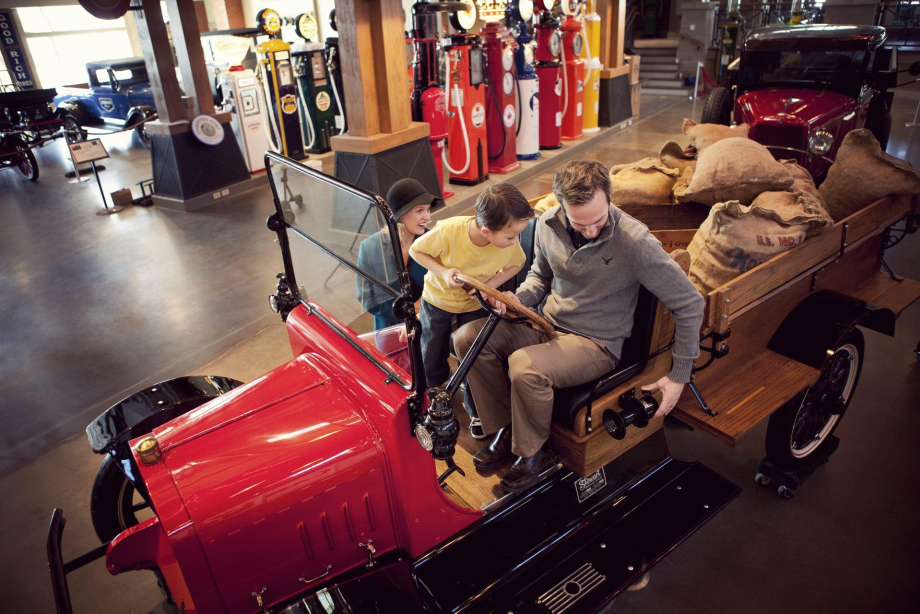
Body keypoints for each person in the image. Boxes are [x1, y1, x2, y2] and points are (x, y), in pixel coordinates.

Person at [454, 160, 704, 493]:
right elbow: (539, 278)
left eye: (598, 221)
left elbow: (690, 302)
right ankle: (506, 428)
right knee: (467, 338)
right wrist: (518, 299)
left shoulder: (636, 243)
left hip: (597, 343)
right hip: (547, 324)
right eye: (579, 223)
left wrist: (679, 375)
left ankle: (533, 454)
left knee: (524, 367)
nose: (590, 231)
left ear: (609, 199)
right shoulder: (545, 225)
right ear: (561, 207)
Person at [409, 183, 535, 394]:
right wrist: (443, 272)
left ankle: (473, 402)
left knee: (473, 356)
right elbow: (416, 251)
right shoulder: (449, 230)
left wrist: (489, 286)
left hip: (475, 305)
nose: (515, 242)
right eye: (511, 237)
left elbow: (518, 263)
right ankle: (432, 392)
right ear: (486, 232)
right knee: (431, 352)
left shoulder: (510, 245)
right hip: (438, 301)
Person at [356, 178, 441, 330]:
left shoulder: (433, 243)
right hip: (388, 330)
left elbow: (442, 287)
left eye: (428, 210)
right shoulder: (369, 248)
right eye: (420, 211)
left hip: (427, 327)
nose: (427, 217)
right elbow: (367, 298)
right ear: (401, 215)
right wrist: (406, 312)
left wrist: (423, 305)